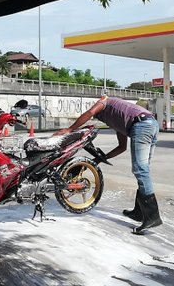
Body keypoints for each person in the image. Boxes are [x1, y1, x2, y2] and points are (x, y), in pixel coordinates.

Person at [54, 95, 162, 234]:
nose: (97, 118)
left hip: (142, 125)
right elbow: (121, 147)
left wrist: (70, 129)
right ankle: (139, 212)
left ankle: (152, 216)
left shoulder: (104, 102)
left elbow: (90, 113)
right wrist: (99, 160)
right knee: (143, 170)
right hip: (150, 124)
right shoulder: (118, 119)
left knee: (141, 170)